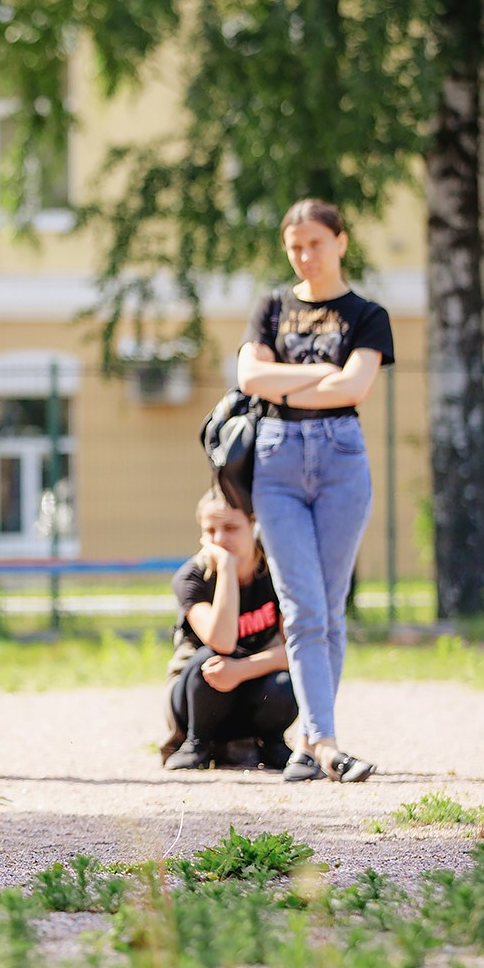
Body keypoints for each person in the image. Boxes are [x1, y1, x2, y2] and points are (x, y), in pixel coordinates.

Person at [235, 198, 392, 783]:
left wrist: (288, 380)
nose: (305, 256)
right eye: (294, 246)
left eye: (315, 244)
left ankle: (309, 739)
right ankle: (323, 739)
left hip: (341, 461)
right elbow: (250, 377)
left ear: (341, 242)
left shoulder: (367, 313)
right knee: (302, 608)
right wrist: (319, 377)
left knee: (328, 607)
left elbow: (355, 387)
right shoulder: (271, 306)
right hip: (276, 460)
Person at [161, 489, 297, 771]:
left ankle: (272, 743)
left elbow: (294, 651)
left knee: (284, 684)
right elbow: (222, 642)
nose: (220, 539)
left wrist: (240, 669)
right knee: (208, 659)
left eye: (231, 528)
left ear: (254, 526)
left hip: (251, 687)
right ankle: (196, 744)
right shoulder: (192, 577)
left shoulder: (276, 574)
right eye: (210, 530)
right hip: (198, 697)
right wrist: (225, 568)